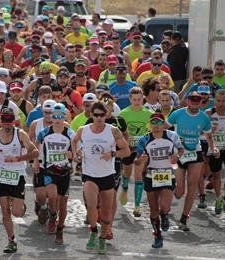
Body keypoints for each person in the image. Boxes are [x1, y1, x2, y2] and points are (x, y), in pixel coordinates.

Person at [72, 101, 130, 255]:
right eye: (96, 115)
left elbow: (126, 151)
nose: (99, 118)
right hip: (89, 174)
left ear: (106, 115)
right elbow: (74, 141)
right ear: (91, 115)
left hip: (107, 175)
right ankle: (92, 231)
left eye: (102, 115)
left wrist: (112, 154)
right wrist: (77, 154)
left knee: (106, 212)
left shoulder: (113, 131)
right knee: (91, 205)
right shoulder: (83, 130)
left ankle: (103, 238)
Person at [0, 108, 38, 253]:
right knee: (5, 212)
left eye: (10, 122)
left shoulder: (20, 134)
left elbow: (35, 152)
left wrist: (18, 158)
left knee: (17, 213)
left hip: (18, 175)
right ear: (0, 121)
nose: (7, 125)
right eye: (4, 122)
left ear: (14, 121)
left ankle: (20, 204)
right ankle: (11, 240)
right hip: (2, 175)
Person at [166, 91, 215, 231]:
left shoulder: (204, 118)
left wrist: (214, 149)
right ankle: (171, 192)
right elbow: (164, 128)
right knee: (180, 191)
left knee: (192, 186)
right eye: (192, 99)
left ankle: (183, 219)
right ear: (187, 101)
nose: (194, 101)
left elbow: (209, 136)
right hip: (179, 154)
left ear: (201, 102)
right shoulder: (177, 113)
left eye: (197, 99)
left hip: (195, 154)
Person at [136, 112, 182, 248]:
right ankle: (157, 236)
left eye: (159, 123)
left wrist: (177, 157)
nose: (156, 126)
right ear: (149, 125)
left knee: (165, 206)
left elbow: (180, 149)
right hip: (151, 176)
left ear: (163, 124)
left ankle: (165, 215)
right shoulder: (143, 140)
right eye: (153, 123)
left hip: (168, 175)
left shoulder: (172, 136)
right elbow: (137, 161)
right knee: (153, 209)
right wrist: (141, 160)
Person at [36, 103, 74, 244]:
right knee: (52, 196)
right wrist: (36, 162)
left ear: (64, 117)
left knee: (63, 206)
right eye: (55, 116)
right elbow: (36, 147)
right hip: (49, 170)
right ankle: (52, 215)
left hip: (64, 171)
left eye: (60, 116)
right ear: (51, 117)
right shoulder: (44, 133)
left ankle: (60, 229)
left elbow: (77, 152)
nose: (57, 119)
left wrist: (72, 154)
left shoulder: (70, 133)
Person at [118, 87, 153, 217]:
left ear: (142, 98)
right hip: (128, 148)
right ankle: (125, 189)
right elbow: (120, 133)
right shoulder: (123, 114)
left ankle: (137, 206)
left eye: (139, 99)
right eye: (134, 100)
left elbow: (151, 131)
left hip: (140, 149)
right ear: (130, 99)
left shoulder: (148, 113)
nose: (137, 102)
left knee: (138, 175)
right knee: (127, 174)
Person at [206, 89, 225, 214]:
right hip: (215, 148)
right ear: (215, 100)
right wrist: (210, 131)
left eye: (224, 101)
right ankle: (219, 198)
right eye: (218, 100)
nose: (221, 103)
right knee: (216, 175)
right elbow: (202, 131)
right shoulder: (209, 113)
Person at [29, 99, 57, 223]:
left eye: (51, 112)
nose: (49, 115)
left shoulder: (63, 125)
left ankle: (52, 214)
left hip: (55, 163)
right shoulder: (35, 124)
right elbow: (29, 142)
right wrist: (32, 160)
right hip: (39, 161)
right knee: (40, 194)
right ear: (42, 112)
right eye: (46, 112)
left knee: (52, 194)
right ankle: (42, 205)